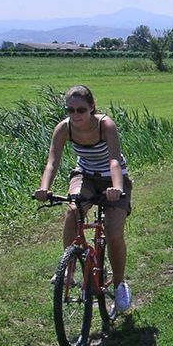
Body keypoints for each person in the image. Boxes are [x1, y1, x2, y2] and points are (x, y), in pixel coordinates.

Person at [35, 85, 134, 313]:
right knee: (73, 210)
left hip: (113, 178)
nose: (75, 115)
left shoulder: (105, 125)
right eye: (70, 110)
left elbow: (114, 162)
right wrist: (44, 188)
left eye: (81, 110)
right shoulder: (64, 128)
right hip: (85, 175)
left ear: (92, 108)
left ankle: (119, 285)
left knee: (113, 230)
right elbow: (52, 162)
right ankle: (68, 268)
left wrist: (117, 188)